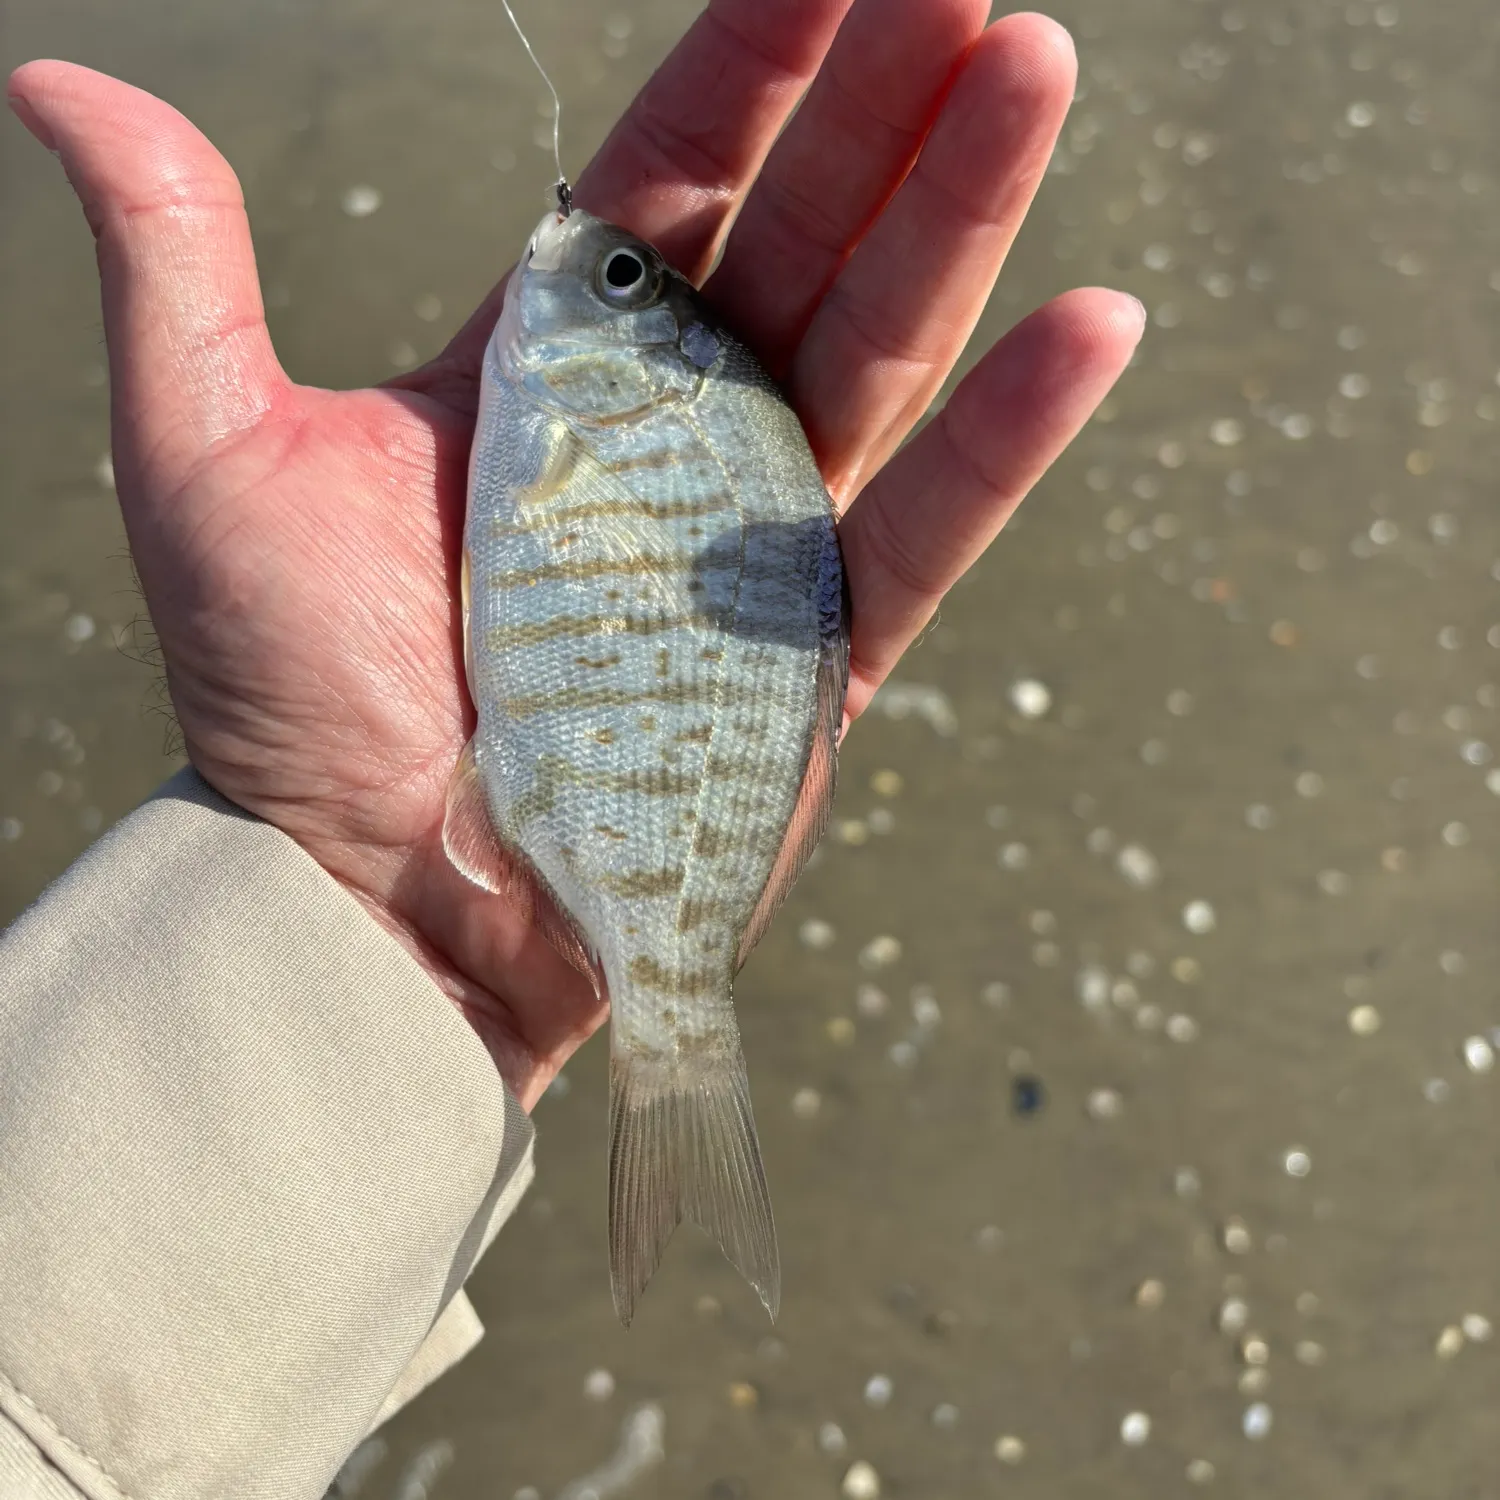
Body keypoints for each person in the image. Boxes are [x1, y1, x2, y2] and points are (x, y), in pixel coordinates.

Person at [0, 3, 1142, 1496]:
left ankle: (674, 1042)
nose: (582, 257)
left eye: (616, 275)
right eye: (622, 270)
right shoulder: (587, 400)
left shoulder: (622, 400)